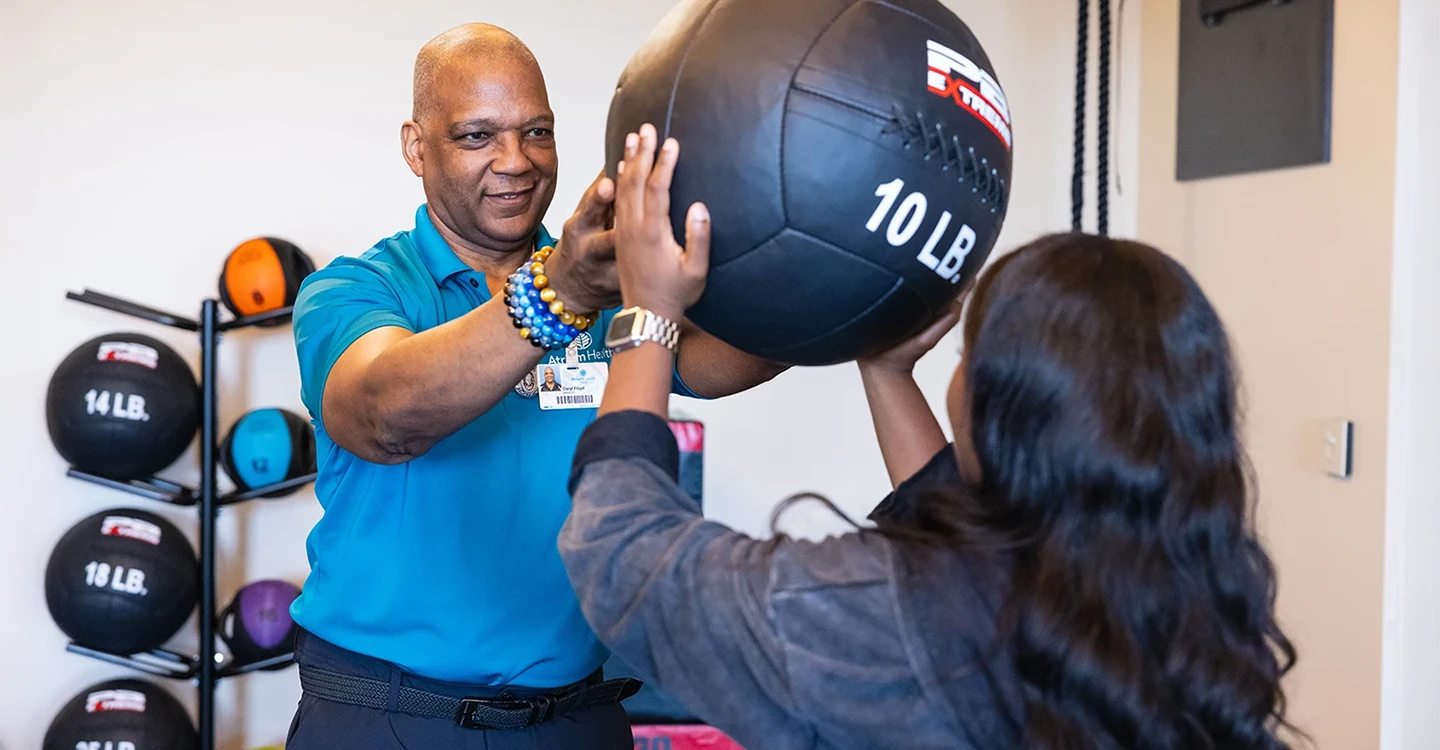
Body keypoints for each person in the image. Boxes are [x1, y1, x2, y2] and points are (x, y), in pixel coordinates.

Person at [559, 124, 1300, 749]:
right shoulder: (1190, 591)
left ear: (999, 410)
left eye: (966, 362)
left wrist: (647, 313)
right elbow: (965, 534)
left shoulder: (876, 612)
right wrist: (888, 373)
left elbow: (623, 554)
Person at [285, 28, 783, 750]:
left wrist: (845, 287)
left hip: (575, 718)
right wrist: (556, 296)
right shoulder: (358, 289)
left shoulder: (604, 289)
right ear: (416, 148)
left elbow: (723, 361)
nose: (514, 162)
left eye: (536, 132)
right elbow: (382, 412)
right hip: (388, 717)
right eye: (477, 135)